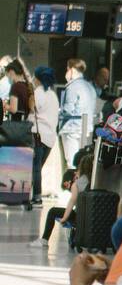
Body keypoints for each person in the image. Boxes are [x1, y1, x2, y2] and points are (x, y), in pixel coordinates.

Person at [30, 153, 92, 248]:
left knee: (52, 211)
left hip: (80, 216)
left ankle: (44, 240)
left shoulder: (77, 184)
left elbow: (72, 201)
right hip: (93, 216)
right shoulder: (98, 181)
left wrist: (64, 218)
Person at [57, 59, 99, 171]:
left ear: (71, 70)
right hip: (86, 129)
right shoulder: (90, 87)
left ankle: (72, 186)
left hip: (72, 129)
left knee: (72, 162)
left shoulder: (72, 86)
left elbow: (68, 110)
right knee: (83, 162)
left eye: (67, 69)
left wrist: (57, 112)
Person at [32, 66, 60, 199]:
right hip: (50, 137)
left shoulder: (38, 92)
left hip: (38, 135)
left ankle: (36, 196)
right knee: (38, 167)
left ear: (37, 78)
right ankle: (34, 194)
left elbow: (33, 108)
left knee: (35, 167)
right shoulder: (53, 95)